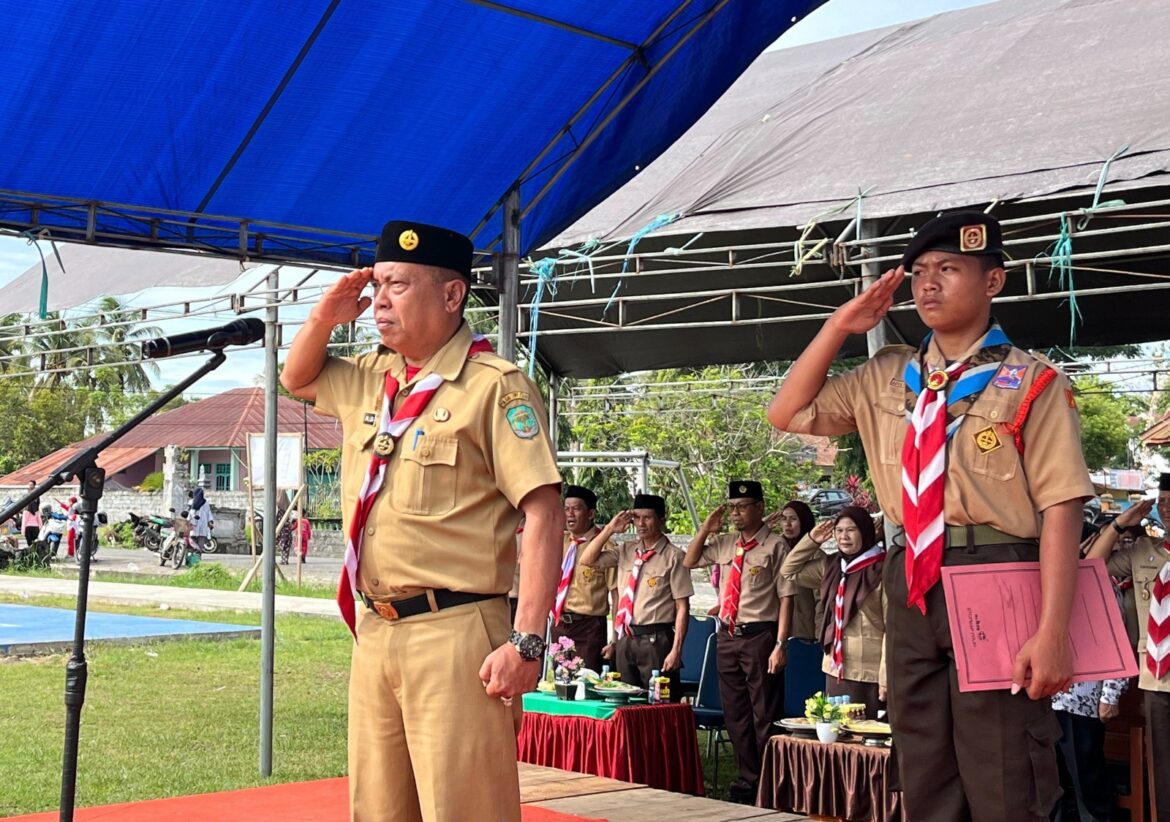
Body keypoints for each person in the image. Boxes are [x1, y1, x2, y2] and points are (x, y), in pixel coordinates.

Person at [768, 211, 1092, 821]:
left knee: (1003, 765)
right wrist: (838, 326)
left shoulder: (1033, 381)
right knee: (922, 760)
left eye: (948, 269)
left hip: (996, 570)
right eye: (918, 272)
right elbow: (787, 411)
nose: (928, 284)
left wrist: (1053, 632)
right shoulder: (888, 374)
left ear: (993, 281)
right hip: (911, 572)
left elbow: (1062, 508)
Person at [280, 219, 563, 822]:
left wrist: (527, 641)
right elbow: (296, 378)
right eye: (377, 285)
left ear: (452, 294)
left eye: (399, 285)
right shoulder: (370, 376)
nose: (380, 300)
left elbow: (543, 512)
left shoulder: (494, 387)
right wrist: (325, 317)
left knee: (465, 810)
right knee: (379, 809)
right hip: (376, 629)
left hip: (455, 631)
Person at [683, 480, 792, 802]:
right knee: (735, 714)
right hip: (728, 636)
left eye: (743, 507)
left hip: (760, 636)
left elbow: (786, 598)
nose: (736, 513)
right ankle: (747, 781)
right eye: (732, 507)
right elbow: (690, 561)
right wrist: (706, 528)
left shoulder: (775, 546)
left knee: (764, 714)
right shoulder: (727, 543)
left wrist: (780, 644)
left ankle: (770, 785)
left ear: (759, 507)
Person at [1086, 490, 1170, 821]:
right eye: (1163, 501)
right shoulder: (1143, 551)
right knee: (1163, 765)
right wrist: (1119, 524)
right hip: (1158, 676)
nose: (1167, 507)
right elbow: (1091, 565)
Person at [579, 493, 692, 698]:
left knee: (659, 702)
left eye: (647, 518)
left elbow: (682, 607)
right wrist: (609, 529)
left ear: (661, 520)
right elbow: (587, 559)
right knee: (625, 700)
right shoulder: (626, 550)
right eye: (636, 518)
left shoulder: (674, 556)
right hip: (626, 639)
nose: (640, 523)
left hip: (656, 640)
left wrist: (676, 650)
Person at [780, 507, 886, 717]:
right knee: (836, 728)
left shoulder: (882, 569)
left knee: (866, 731)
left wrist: (885, 677)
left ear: (865, 531)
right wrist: (812, 540)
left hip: (870, 671)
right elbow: (788, 571)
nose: (844, 536)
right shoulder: (831, 566)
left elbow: (893, 628)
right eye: (839, 530)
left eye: (851, 530)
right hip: (835, 667)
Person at [552, 485, 617, 673]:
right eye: (566, 508)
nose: (569, 514)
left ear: (591, 514)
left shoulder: (606, 546)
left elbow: (616, 595)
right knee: (559, 682)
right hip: (560, 624)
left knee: (585, 681)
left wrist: (614, 639)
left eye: (576, 509)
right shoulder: (559, 541)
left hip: (589, 627)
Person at [767, 499, 819, 639]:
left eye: (793, 519)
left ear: (804, 521)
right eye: (784, 519)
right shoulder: (773, 549)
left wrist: (819, 635)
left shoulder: (815, 554)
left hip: (802, 630)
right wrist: (762, 531)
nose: (787, 524)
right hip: (770, 627)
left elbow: (821, 600)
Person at [187, 488, 214, 553]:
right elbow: (190, 512)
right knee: (193, 541)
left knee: (198, 543)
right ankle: (197, 552)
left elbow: (208, 513)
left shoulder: (205, 503)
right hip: (195, 525)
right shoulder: (192, 502)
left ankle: (198, 555)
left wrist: (210, 521)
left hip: (201, 525)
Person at [22, 480, 41, 548]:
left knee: (31, 544)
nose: (30, 486)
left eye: (31, 485)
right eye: (29, 484)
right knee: (34, 544)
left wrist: (23, 531)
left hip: (31, 527)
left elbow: (24, 521)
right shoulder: (27, 494)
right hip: (34, 527)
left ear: (34, 486)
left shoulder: (36, 494)